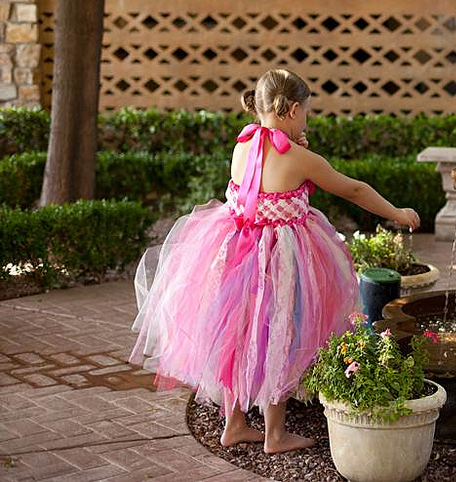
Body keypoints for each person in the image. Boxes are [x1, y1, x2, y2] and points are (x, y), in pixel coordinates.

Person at [130, 69, 420, 453]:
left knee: (237, 334)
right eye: (306, 113)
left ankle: (234, 425)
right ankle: (275, 434)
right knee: (278, 335)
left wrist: (295, 145)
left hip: (233, 252)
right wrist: (397, 212)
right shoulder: (300, 158)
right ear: (293, 109)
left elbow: (260, 183)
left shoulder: (244, 144)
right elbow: (353, 189)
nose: (307, 121)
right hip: (279, 260)